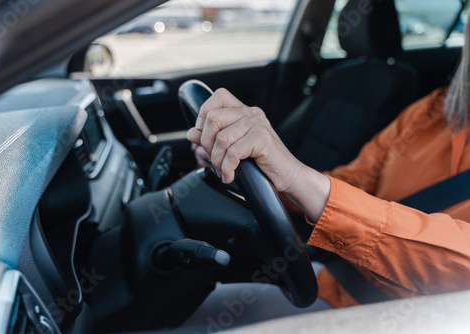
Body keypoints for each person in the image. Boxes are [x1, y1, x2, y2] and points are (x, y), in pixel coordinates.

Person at [186, 17, 470, 309]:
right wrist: (254, 169)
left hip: (413, 315)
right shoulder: (432, 111)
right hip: (335, 280)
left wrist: (298, 178)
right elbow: (354, 179)